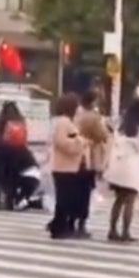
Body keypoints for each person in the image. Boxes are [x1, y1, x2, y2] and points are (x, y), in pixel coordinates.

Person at [103, 98, 139, 242]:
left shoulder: (122, 127)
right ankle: (125, 232)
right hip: (131, 167)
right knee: (130, 201)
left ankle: (112, 230)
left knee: (118, 200)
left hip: (117, 166)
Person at [48, 93, 86, 239]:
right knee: (64, 198)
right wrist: (79, 143)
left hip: (68, 166)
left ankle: (59, 225)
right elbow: (61, 142)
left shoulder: (68, 122)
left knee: (65, 198)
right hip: (63, 166)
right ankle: (58, 228)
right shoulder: (63, 122)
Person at [75, 90, 111, 238]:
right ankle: (81, 224)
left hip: (74, 157)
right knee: (85, 192)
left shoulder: (76, 114)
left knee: (74, 191)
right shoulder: (93, 118)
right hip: (88, 157)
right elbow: (103, 135)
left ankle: (71, 221)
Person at [0, 100, 28, 210]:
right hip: (17, 151)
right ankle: (10, 201)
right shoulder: (20, 120)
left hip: (2, 150)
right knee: (13, 177)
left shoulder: (2, 120)